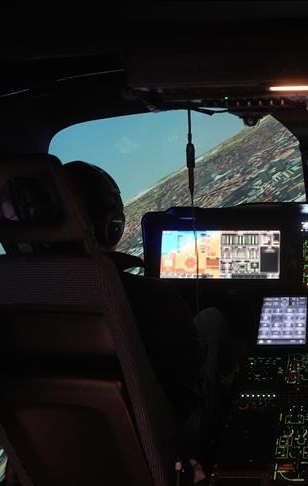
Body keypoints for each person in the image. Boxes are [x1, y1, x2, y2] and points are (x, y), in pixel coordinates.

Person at [62, 160, 236, 469]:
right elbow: (190, 370)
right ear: (112, 224)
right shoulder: (148, 295)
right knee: (211, 319)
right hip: (166, 444)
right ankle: (233, 399)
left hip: (67, 461)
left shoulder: (3, 308)